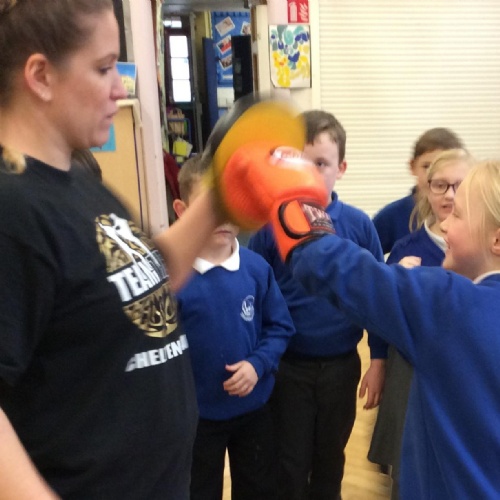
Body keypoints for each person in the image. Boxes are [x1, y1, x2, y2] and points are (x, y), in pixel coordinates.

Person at [0, 1, 225, 498]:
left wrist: (222, 197)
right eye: (104, 69)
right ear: (40, 76)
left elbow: (149, 276)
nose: (120, 89)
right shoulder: (11, 207)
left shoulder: (78, 179)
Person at [220, 137, 500, 498]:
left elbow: (333, 265)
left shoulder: (448, 306)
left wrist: (292, 194)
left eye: (457, 215)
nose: (444, 225)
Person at [248, 110, 387, 500]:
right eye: (300, 163)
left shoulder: (358, 225)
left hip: (341, 367)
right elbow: (253, 293)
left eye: (321, 164)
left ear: (341, 169)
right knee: (289, 463)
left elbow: (378, 298)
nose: (309, 173)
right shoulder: (270, 226)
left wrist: (378, 360)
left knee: (330, 461)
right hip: (287, 367)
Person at [173, 155, 295, 500]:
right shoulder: (173, 278)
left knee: (258, 489)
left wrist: (258, 365)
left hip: (254, 410)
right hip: (197, 419)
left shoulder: (257, 269)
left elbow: (280, 327)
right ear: (183, 210)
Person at [368, 148, 474, 499]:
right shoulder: (406, 248)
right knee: (410, 465)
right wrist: (395, 284)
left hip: (466, 373)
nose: (449, 195)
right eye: (440, 185)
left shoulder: (483, 249)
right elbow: (382, 317)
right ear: (426, 189)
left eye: (459, 185)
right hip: (410, 373)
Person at [373, 127, 464, 254]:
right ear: (412, 166)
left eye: (445, 167)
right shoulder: (391, 217)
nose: (434, 174)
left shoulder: (475, 216)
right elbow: (366, 260)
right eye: (427, 166)